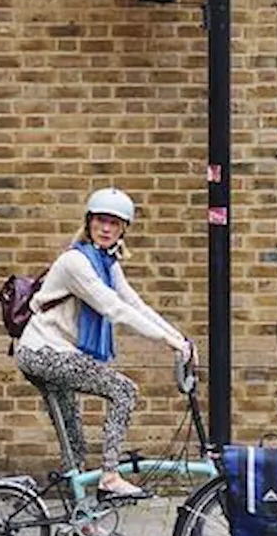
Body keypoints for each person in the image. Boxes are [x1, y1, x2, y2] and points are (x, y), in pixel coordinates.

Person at [15, 187, 194, 500]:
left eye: (115, 223)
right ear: (89, 222)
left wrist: (177, 337)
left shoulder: (107, 263)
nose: (107, 228)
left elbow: (136, 304)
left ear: (124, 228)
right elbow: (113, 308)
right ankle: (110, 476)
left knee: (75, 441)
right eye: (101, 221)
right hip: (44, 352)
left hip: (53, 352)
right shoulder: (76, 262)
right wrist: (166, 340)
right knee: (124, 390)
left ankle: (81, 520)